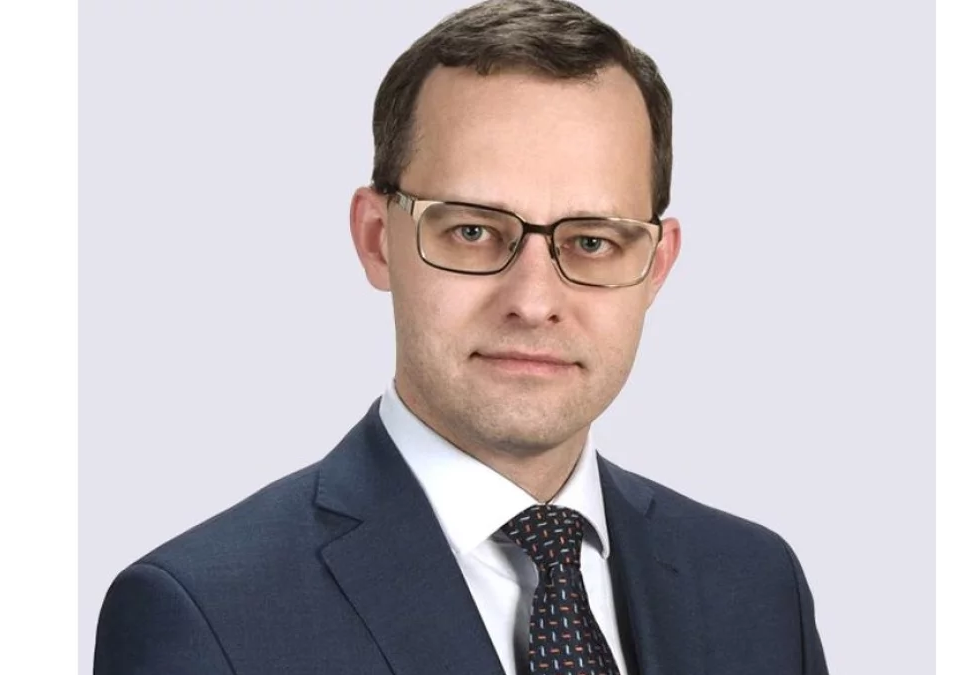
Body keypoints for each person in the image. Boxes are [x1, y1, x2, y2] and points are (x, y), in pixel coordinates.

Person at [93, 1, 829, 673]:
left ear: (656, 266)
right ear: (378, 238)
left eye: (593, 241)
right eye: (473, 231)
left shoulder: (757, 587)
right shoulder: (206, 616)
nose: (533, 302)